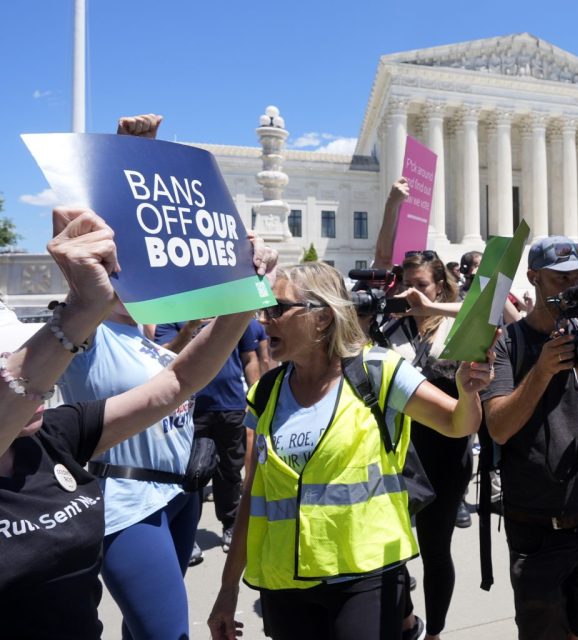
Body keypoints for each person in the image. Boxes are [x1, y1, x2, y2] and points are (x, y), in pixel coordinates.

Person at [0, 207, 277, 640]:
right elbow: (76, 236)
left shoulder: (142, 340)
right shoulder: (91, 334)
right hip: (130, 498)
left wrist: (246, 290)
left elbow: (180, 379)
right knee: (166, 631)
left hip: (179, 493)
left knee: (143, 626)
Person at [207, 262, 488, 640]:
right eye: (265, 310)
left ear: (322, 317)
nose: (265, 321)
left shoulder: (379, 371)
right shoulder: (266, 392)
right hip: (283, 582)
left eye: (278, 309)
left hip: (365, 579)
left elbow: (459, 423)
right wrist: (228, 589)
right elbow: (251, 495)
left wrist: (468, 392)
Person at [481, 236, 578, 640]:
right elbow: (497, 426)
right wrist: (542, 371)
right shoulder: (506, 344)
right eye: (558, 279)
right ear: (533, 278)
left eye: (574, 278)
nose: (569, 288)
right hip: (535, 532)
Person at [382, 251, 474, 640]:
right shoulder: (391, 328)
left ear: (439, 285)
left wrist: (431, 306)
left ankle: (434, 631)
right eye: (407, 285)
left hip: (445, 455)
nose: (412, 293)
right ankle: (405, 620)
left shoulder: (454, 328)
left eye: (421, 285)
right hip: (398, 454)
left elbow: (489, 306)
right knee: (391, 549)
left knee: (435, 550)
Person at [156, 317, 265, 555]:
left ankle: (230, 525)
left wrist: (256, 397)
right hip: (189, 409)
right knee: (190, 474)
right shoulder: (173, 314)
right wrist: (189, 329)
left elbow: (249, 358)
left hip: (230, 406)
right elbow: (162, 355)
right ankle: (187, 533)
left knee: (230, 471)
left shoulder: (232, 314)